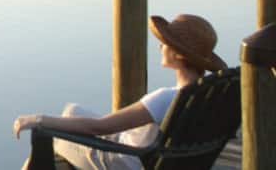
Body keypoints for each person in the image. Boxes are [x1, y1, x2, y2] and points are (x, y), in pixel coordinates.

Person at [12, 14, 227, 170]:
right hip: (148, 152)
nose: (160, 47)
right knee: (72, 110)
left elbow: (98, 127)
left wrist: (38, 119)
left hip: (127, 161)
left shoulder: (165, 98)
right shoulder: (204, 94)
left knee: (52, 136)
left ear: (179, 55)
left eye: (165, 43)